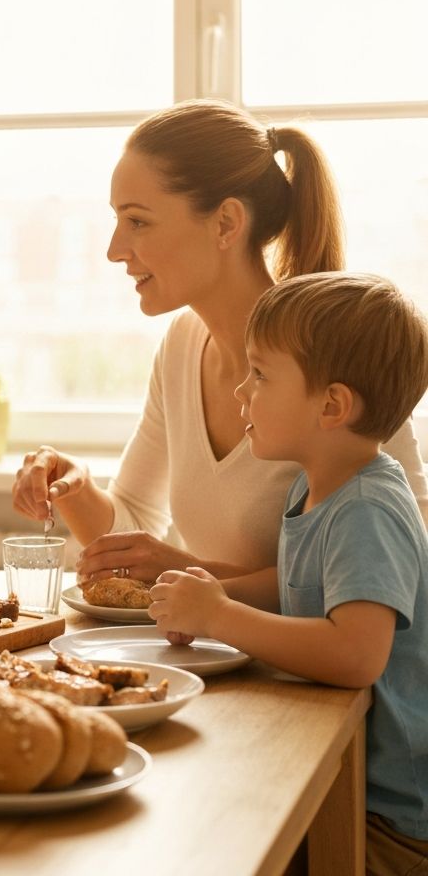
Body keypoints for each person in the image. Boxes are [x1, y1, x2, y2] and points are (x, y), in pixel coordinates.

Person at [11, 99, 428, 585]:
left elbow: (407, 556)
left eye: (137, 221)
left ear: (226, 223)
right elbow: (134, 529)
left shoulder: (336, 349)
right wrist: (73, 486)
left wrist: (192, 574)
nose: (113, 250)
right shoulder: (182, 345)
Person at [149, 273, 428, 874]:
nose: (241, 390)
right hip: (344, 770)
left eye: (260, 375)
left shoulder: (367, 509)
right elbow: (296, 582)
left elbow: (357, 654)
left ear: (332, 406)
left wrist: (221, 617)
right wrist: (214, 594)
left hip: (389, 818)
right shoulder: (318, 485)